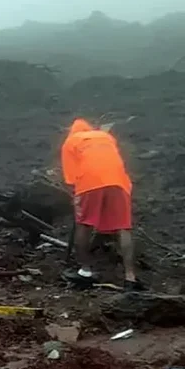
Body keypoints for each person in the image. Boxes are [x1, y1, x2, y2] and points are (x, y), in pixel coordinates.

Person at [61, 118, 143, 290]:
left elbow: (71, 178)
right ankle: (130, 277)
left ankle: (85, 272)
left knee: (84, 224)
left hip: (90, 182)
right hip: (119, 182)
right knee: (123, 227)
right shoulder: (105, 137)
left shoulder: (71, 141)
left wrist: (76, 199)